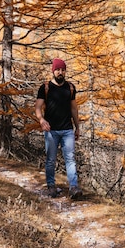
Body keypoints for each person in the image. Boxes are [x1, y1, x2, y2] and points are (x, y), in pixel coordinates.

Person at [35, 58, 82, 199]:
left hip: (67, 130)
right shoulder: (45, 87)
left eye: (63, 70)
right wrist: (41, 119)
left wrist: (77, 127)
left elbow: (74, 109)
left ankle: (74, 188)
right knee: (50, 160)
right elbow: (37, 107)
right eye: (58, 70)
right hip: (51, 131)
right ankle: (51, 186)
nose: (60, 72)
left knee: (70, 159)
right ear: (53, 71)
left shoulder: (71, 87)